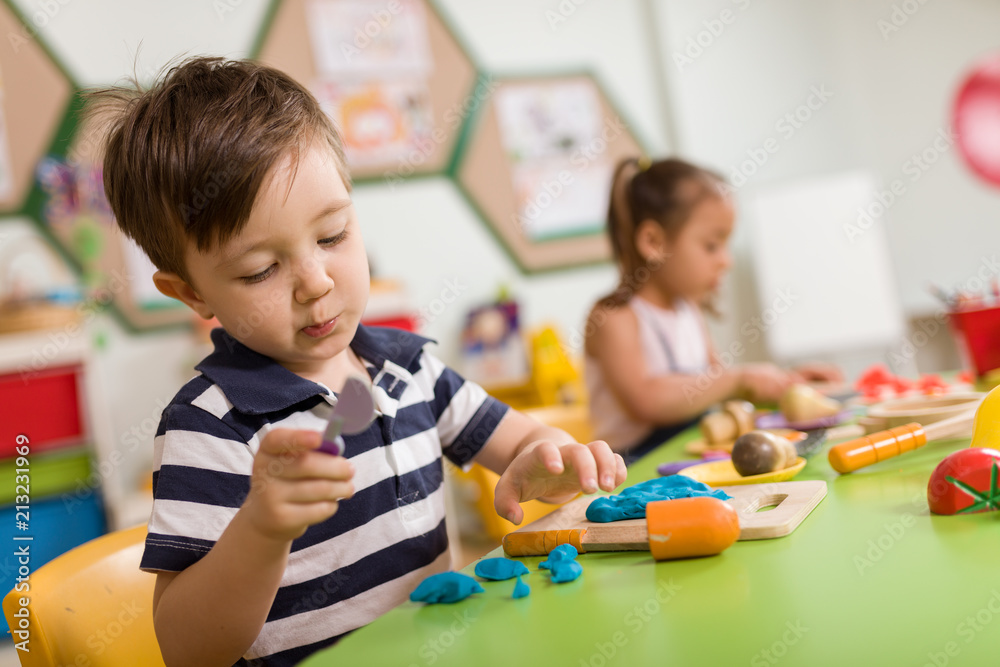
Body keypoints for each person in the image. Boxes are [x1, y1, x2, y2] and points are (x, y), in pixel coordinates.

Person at [85, 57, 627, 667]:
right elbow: (188, 650)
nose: (315, 282)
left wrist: (550, 454)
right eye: (260, 270)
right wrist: (262, 530)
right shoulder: (211, 427)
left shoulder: (407, 369)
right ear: (192, 292)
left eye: (333, 234)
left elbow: (521, 438)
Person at [584, 157, 841, 462]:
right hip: (632, 469)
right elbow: (646, 400)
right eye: (711, 245)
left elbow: (717, 387)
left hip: (690, 456)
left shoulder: (688, 311)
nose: (726, 260)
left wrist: (783, 384)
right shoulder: (615, 317)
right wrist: (737, 379)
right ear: (653, 242)